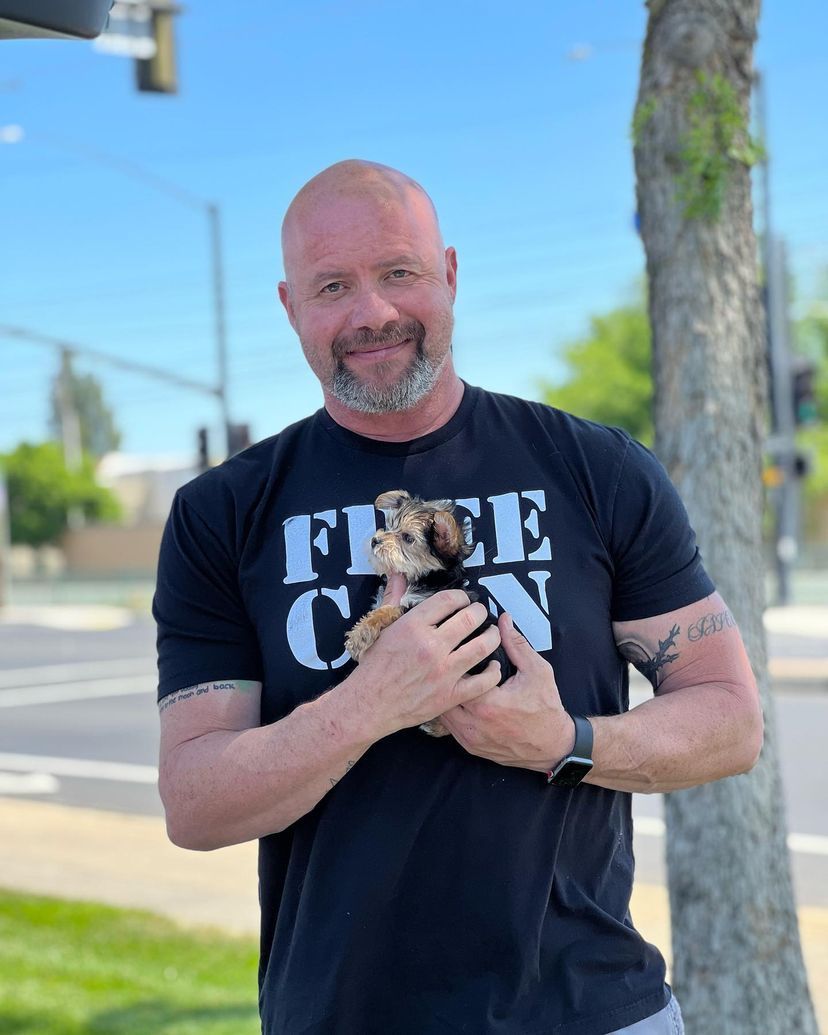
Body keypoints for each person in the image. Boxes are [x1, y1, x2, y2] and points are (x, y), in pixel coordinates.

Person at [153, 160, 763, 1035]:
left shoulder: (595, 468)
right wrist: (369, 702)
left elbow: (730, 719)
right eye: (333, 286)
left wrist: (565, 741)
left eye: (398, 271)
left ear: (448, 273)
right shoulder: (223, 512)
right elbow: (195, 803)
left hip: (593, 1011)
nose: (372, 312)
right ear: (291, 307)